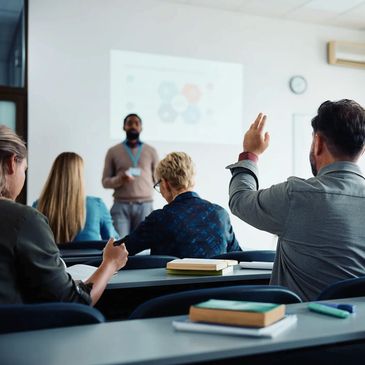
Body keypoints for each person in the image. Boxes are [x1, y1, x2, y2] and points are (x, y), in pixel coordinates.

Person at [227, 99, 365, 301]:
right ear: (361, 149)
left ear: (317, 142)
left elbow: (240, 200)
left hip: (302, 329)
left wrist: (250, 154)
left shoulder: (297, 195)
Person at [0, 125, 128, 305]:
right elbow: (73, 301)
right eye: (25, 169)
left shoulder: (38, 206)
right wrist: (111, 264)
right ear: (12, 163)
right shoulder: (24, 219)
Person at [124, 152, 241, 257]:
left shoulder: (159, 219)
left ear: (165, 183)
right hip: (217, 282)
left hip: (172, 282)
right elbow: (238, 256)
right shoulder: (220, 214)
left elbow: (120, 251)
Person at [34, 152, 118, 243]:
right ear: (79, 176)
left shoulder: (38, 206)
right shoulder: (97, 205)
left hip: (52, 258)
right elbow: (114, 241)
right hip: (89, 257)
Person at [102, 113, 159, 236]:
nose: (133, 126)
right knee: (120, 245)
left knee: (143, 249)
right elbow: (105, 182)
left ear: (141, 128)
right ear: (124, 127)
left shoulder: (151, 151)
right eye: (129, 123)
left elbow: (158, 179)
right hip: (121, 206)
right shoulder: (113, 151)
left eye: (136, 123)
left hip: (145, 206)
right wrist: (119, 179)